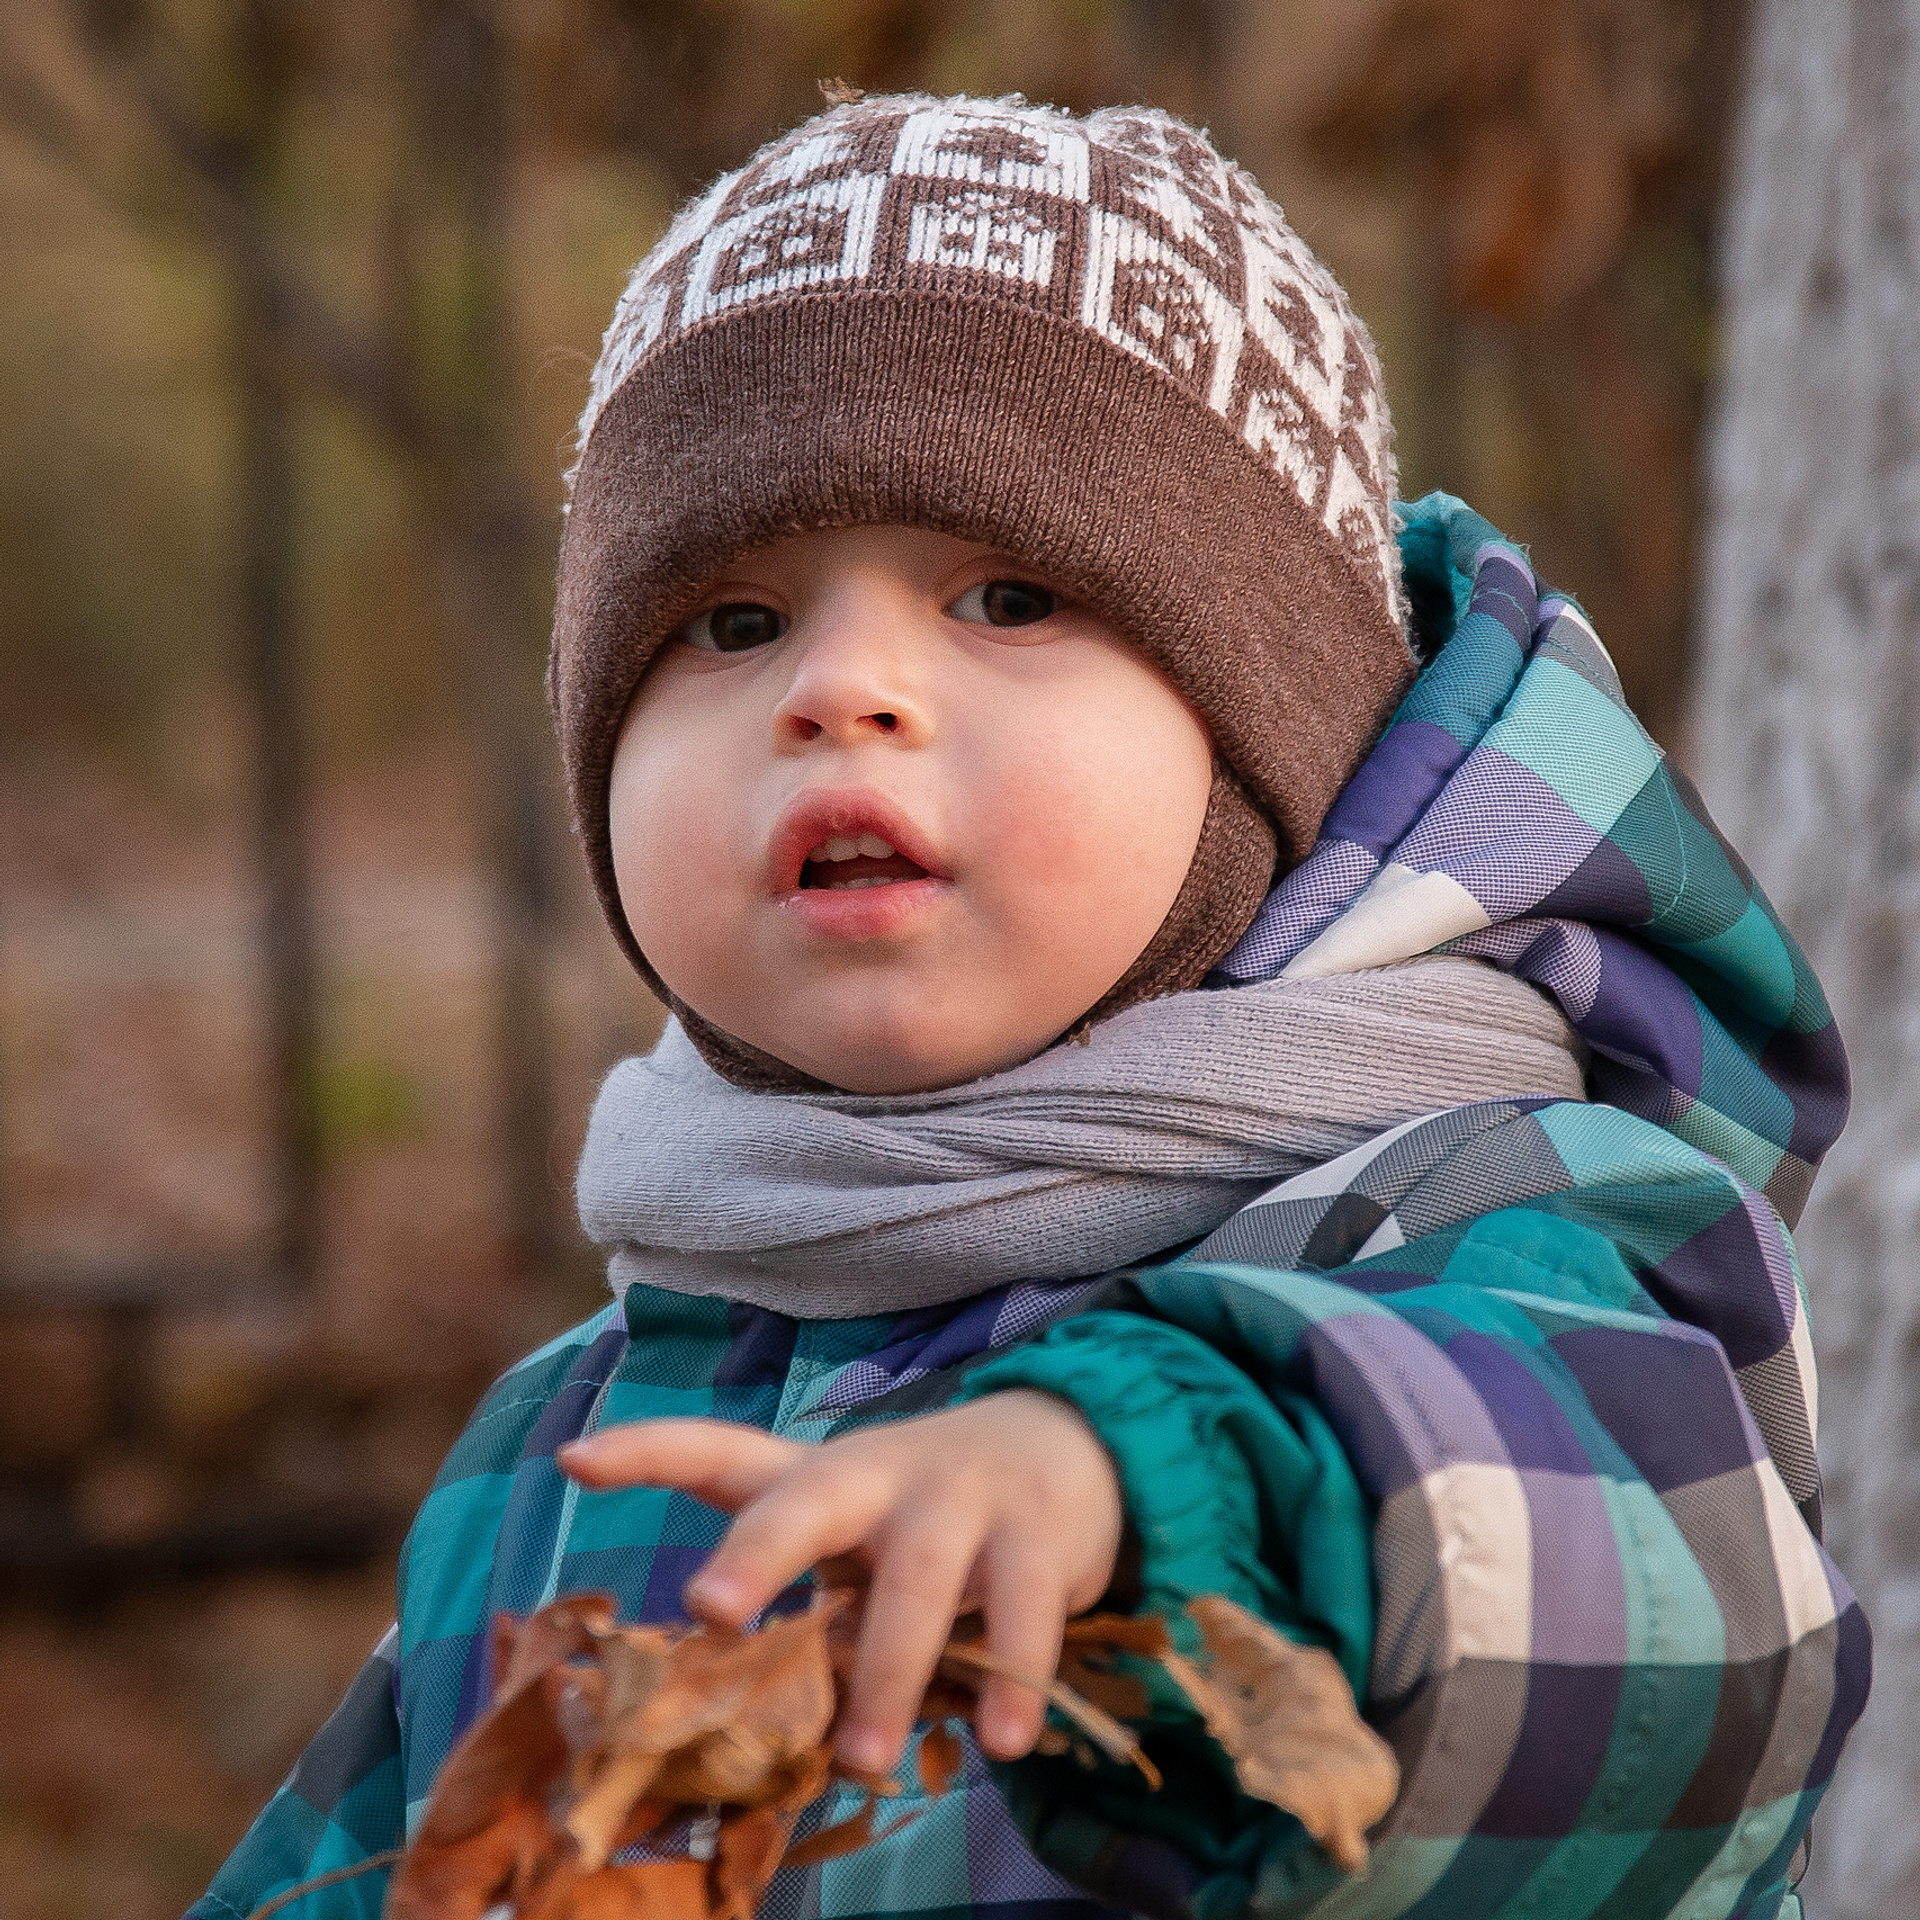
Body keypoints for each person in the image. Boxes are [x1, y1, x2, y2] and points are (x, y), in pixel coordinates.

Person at [192, 94, 1869, 1920]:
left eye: (1006, 595)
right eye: (731, 624)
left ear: (1266, 746)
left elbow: (1685, 1642)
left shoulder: (1494, 1205)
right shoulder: (573, 1438)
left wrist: (1148, 1484)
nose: (842, 689)